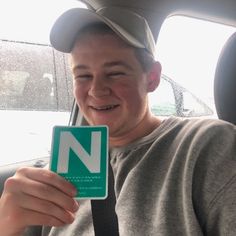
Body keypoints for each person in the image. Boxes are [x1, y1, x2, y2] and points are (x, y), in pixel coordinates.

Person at [0, 6, 236, 236]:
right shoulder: (59, 171)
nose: (96, 90)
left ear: (152, 78)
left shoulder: (207, 145)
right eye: (83, 76)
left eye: (115, 73)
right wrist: (7, 226)